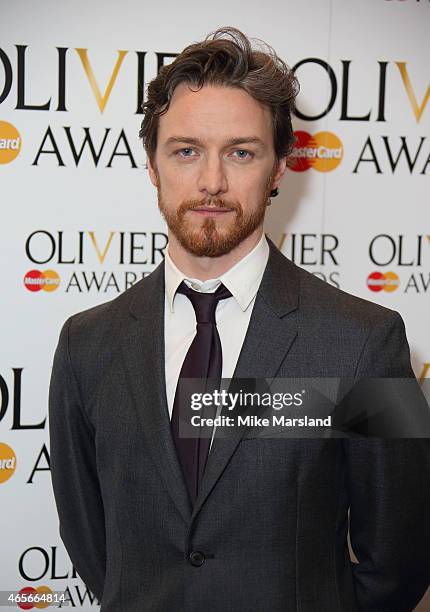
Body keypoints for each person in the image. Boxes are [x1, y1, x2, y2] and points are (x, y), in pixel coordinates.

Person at [49, 27, 430, 612]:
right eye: (186, 150)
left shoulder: (369, 340)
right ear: (152, 164)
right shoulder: (86, 343)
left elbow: (401, 558)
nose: (212, 182)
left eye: (241, 152)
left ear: (279, 168)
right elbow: (92, 541)